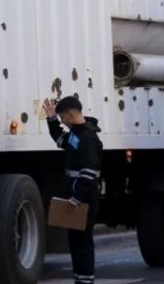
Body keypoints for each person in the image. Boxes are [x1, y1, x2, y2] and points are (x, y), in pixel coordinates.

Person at [43, 96, 103, 284]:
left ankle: (86, 279)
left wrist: (77, 198)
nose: (62, 121)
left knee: (83, 242)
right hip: (75, 196)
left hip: (83, 197)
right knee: (75, 241)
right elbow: (61, 140)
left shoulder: (88, 137)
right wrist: (51, 119)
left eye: (61, 117)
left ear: (70, 115)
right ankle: (80, 279)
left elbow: (89, 171)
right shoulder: (75, 134)